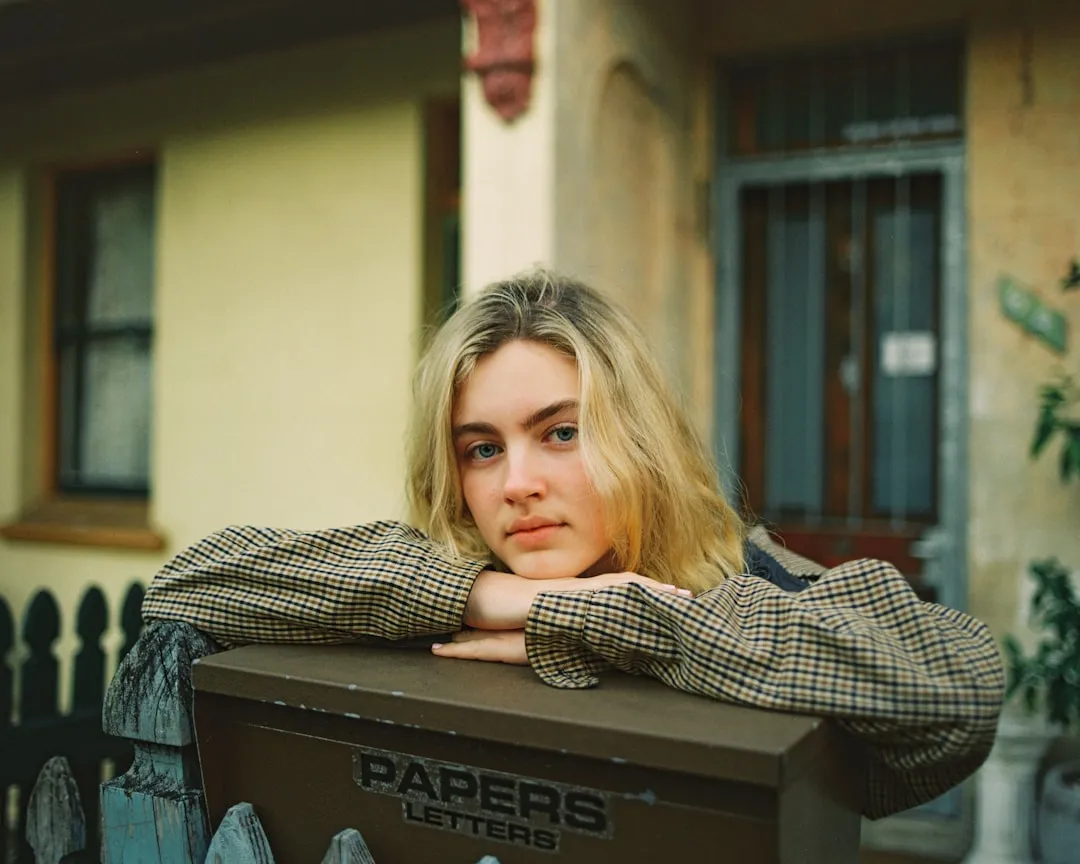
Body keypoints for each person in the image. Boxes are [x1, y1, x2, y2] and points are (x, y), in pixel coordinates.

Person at [142, 270, 1004, 820]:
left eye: (561, 432)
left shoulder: (749, 571)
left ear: (639, 438)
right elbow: (188, 583)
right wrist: (497, 596)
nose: (516, 483)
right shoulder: (441, 574)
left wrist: (625, 622)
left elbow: (958, 694)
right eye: (482, 448)